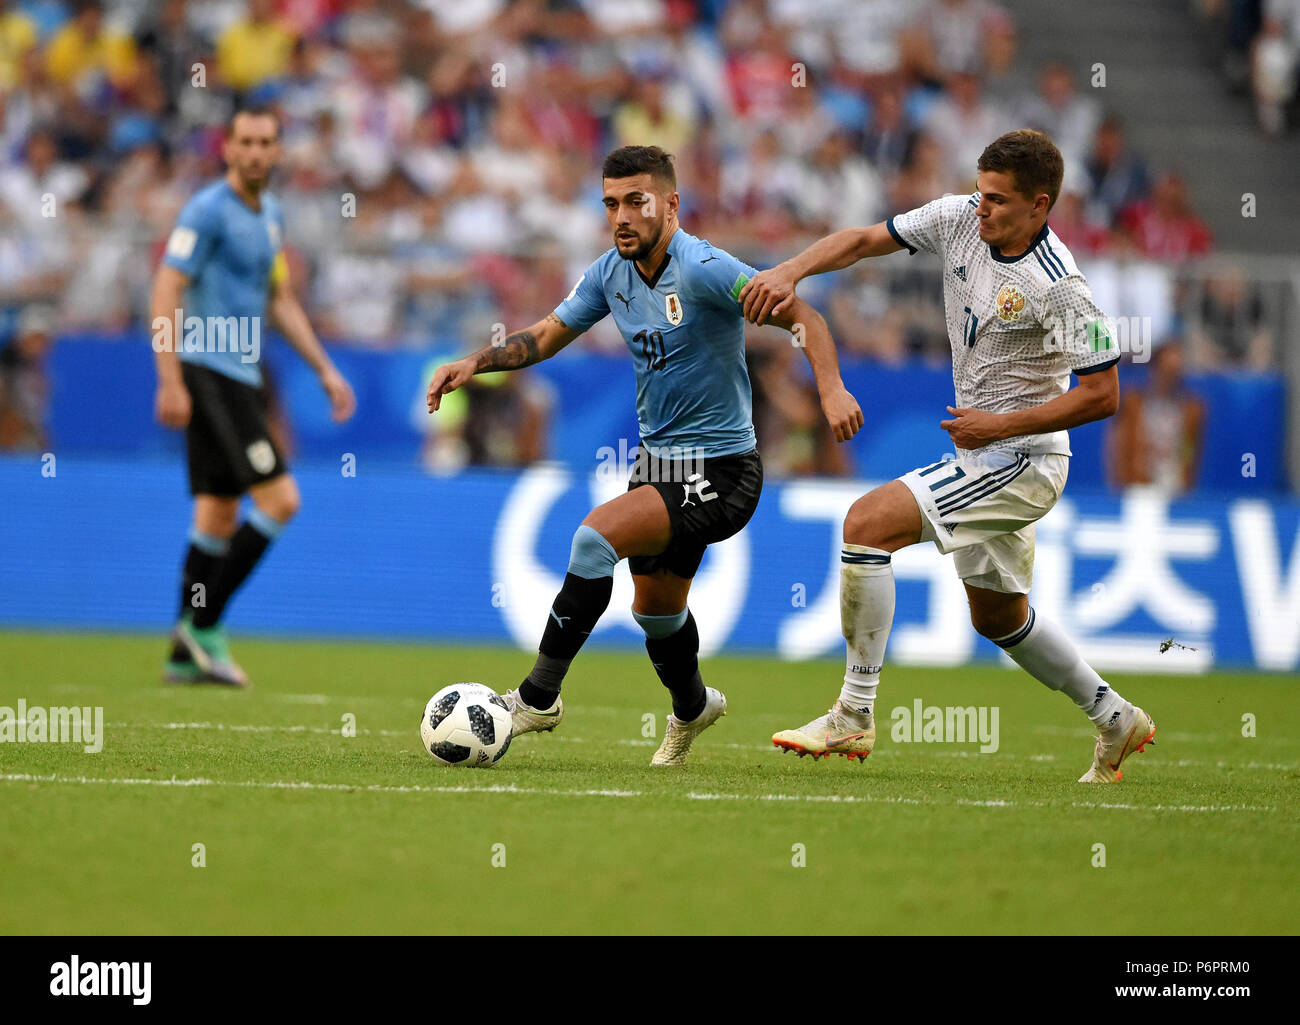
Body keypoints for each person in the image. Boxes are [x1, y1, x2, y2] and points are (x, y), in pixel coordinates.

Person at [741, 129, 1155, 783]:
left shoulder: (1064, 287)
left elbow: (1104, 393)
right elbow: (863, 239)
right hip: (989, 447)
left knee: (866, 524)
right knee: (998, 616)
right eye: (980, 191)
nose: (980, 206)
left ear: (1040, 205)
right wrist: (791, 269)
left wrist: (1001, 425)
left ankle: (853, 711)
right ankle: (1112, 715)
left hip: (1022, 458)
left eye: (997, 199)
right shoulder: (958, 217)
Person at [427, 145, 862, 766]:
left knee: (592, 540)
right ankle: (692, 708)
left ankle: (537, 698)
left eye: (636, 201)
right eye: (611, 204)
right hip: (657, 465)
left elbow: (802, 316)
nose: (622, 216)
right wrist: (477, 362)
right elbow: (549, 334)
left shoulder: (707, 268)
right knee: (655, 611)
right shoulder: (611, 273)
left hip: (723, 470)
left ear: (671, 204)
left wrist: (831, 389)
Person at [151, 106, 355, 687]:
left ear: (279, 150)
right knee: (281, 499)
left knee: (216, 513)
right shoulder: (207, 210)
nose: (256, 152)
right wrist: (168, 377)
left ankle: (180, 652)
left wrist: (324, 369)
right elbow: (167, 284)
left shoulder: (270, 214)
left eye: (266, 142)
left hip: (244, 374)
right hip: (207, 368)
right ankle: (205, 624)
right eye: (246, 141)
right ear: (228, 149)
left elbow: (280, 300)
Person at [1109, 341, 1204, 494]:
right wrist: (1122, 485)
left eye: (1175, 373)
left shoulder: (1191, 410)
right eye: (1166, 371)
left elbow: (1189, 450)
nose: (1169, 378)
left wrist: (1184, 479)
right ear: (1154, 369)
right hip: (1137, 486)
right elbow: (1118, 446)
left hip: (1174, 487)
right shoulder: (1134, 404)